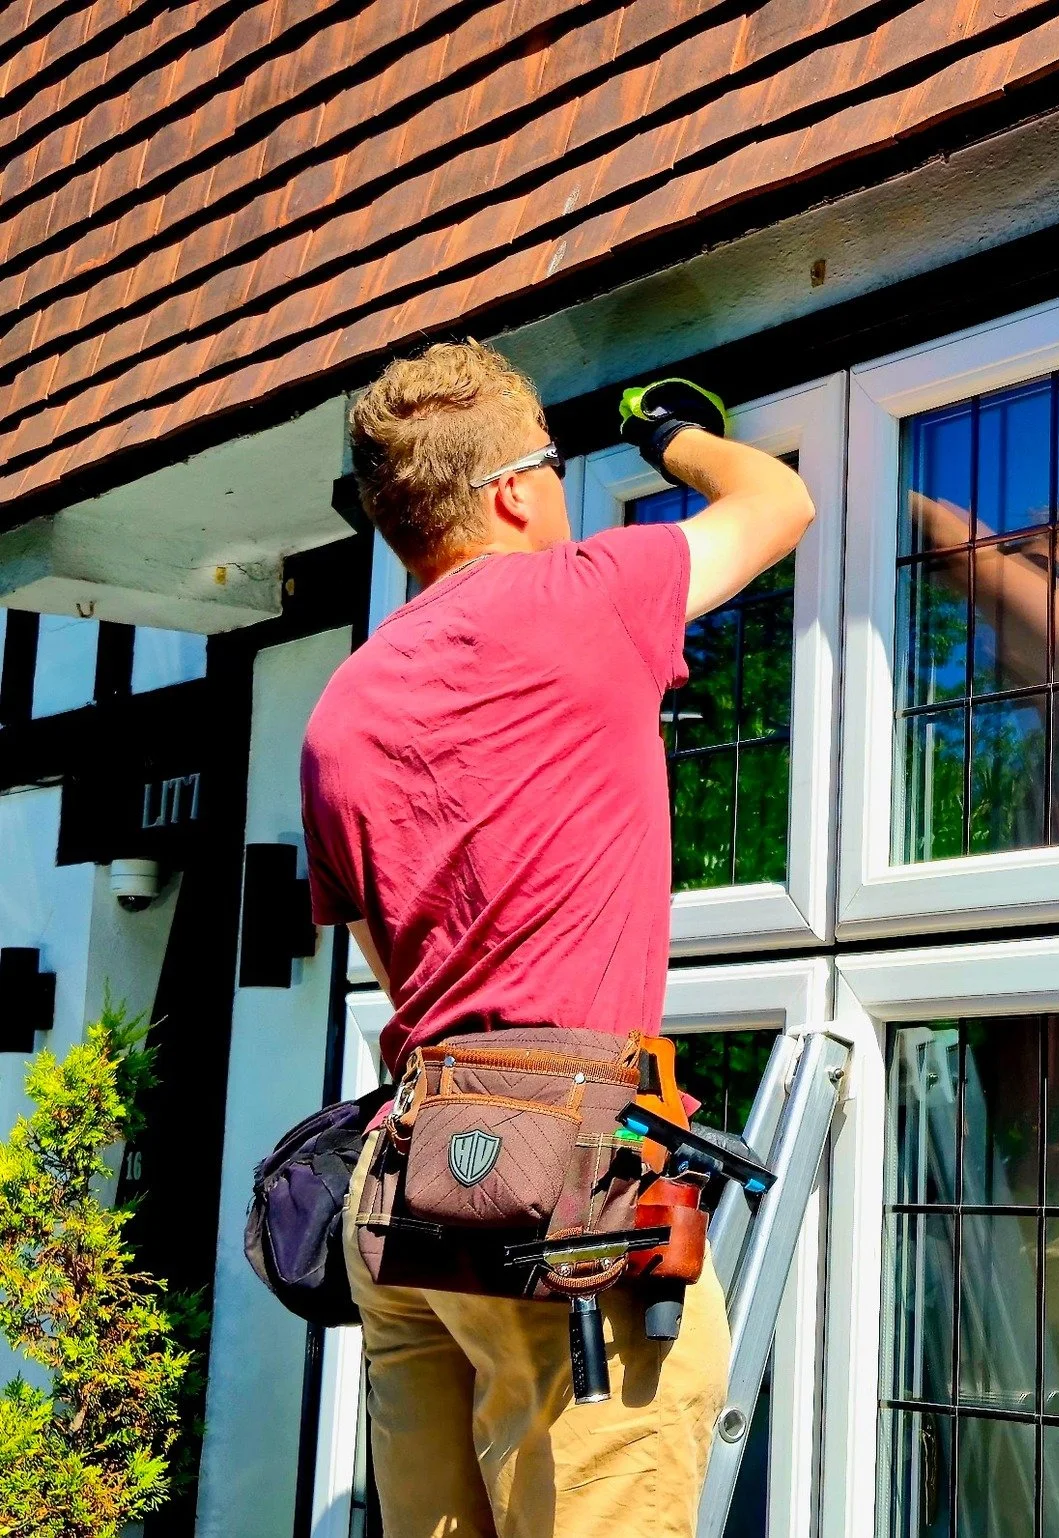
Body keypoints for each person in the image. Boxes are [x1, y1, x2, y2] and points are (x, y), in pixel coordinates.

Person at [300, 339, 813, 1538]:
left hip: (410, 1182)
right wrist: (667, 431)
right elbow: (774, 501)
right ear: (516, 488)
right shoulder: (588, 591)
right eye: (558, 467)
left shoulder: (339, 711)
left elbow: (396, 971)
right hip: (566, 1190)